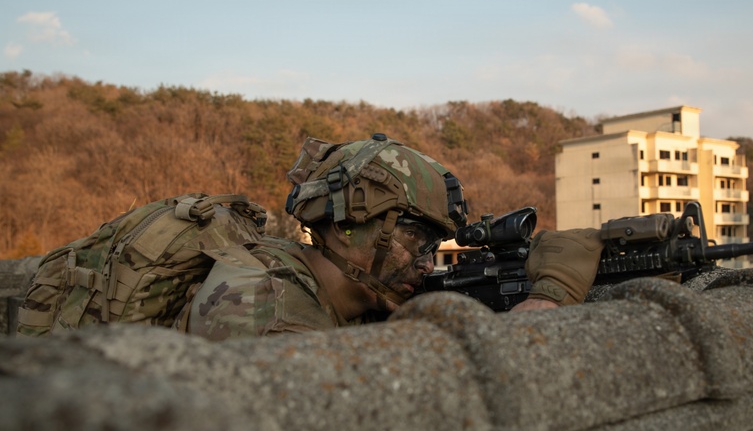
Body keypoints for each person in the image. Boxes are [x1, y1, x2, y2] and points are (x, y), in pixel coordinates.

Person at [176, 133, 602, 340]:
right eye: (416, 237)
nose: (426, 262)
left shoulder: (359, 293)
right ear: (345, 226)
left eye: (435, 246)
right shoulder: (259, 307)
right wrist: (540, 308)